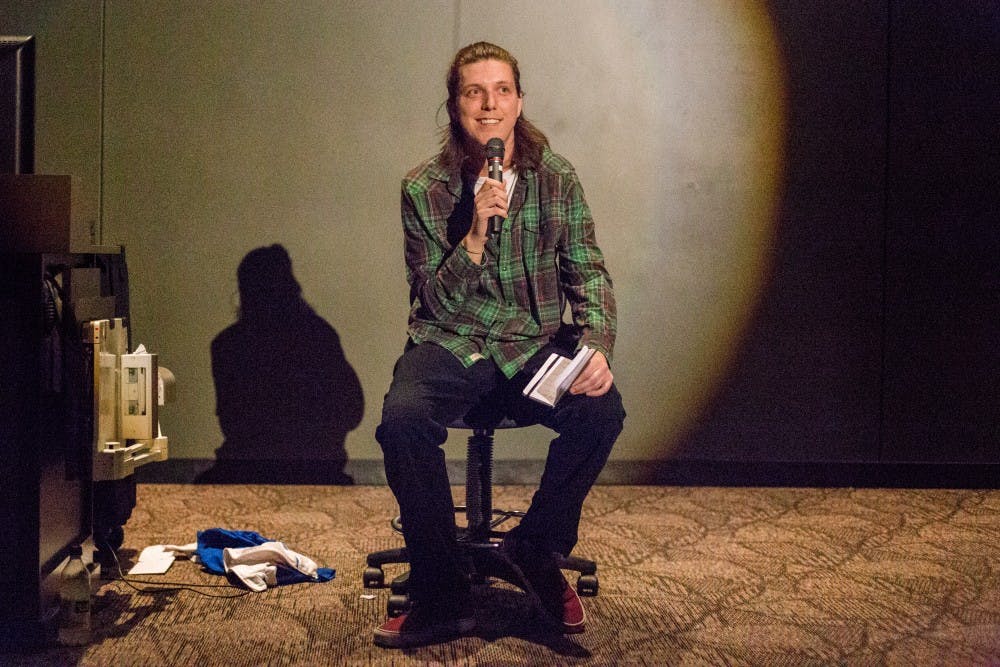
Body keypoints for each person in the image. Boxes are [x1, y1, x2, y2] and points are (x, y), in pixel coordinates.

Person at [374, 41, 625, 648]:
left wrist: (596, 344)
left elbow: (588, 273)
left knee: (603, 410)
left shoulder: (555, 177)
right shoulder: (424, 188)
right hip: (453, 340)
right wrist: (477, 234)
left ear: (519, 101)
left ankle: (534, 549)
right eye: (473, 93)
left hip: (532, 341)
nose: (489, 105)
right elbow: (435, 303)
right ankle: (439, 585)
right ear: (455, 105)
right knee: (403, 417)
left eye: (501, 91)